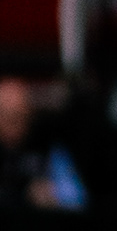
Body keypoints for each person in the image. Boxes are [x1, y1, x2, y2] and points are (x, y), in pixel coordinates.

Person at [0, 76, 86, 211]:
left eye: (21, 116)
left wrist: (54, 195)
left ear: (30, 116)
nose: (14, 124)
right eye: (6, 116)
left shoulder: (48, 147)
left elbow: (76, 199)